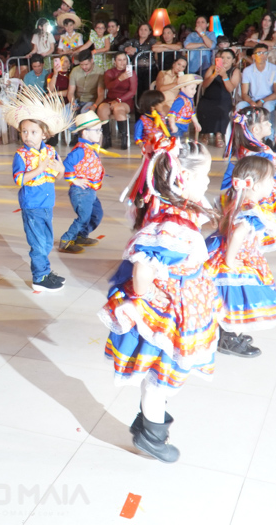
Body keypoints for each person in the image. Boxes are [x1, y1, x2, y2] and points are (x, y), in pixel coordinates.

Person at [99, 138, 219, 463]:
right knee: (159, 377)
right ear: (184, 178)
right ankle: (151, 435)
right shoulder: (171, 227)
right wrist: (151, 298)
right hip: (169, 312)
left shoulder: (175, 210)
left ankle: (149, 420)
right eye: (205, 175)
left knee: (161, 371)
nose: (208, 182)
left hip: (179, 305)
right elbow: (142, 270)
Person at [206, 155, 276, 358]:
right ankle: (228, 338)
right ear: (256, 185)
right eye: (270, 180)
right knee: (237, 297)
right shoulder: (251, 209)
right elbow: (238, 233)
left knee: (225, 297)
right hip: (237, 256)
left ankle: (224, 333)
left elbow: (220, 223)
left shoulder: (234, 199)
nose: (273, 184)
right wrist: (230, 260)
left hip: (222, 250)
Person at [6, 86, 70, 293]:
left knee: (47, 241)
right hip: (32, 205)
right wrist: (39, 169)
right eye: (24, 131)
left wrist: (61, 170)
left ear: (44, 134)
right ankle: (39, 277)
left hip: (47, 203)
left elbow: (57, 176)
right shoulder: (21, 155)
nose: (28, 136)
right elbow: (19, 179)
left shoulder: (50, 151)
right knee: (39, 243)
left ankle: (45, 271)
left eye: (33, 132)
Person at [223, 108, 276, 253]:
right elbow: (267, 167)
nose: (270, 125)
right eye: (267, 123)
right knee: (262, 216)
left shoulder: (248, 147)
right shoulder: (258, 151)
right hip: (260, 189)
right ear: (256, 129)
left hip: (256, 186)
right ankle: (259, 240)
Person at [59, 112, 105, 254]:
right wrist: (74, 179)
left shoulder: (90, 147)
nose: (100, 133)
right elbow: (67, 164)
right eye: (97, 130)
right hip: (81, 192)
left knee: (97, 214)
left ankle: (81, 236)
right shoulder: (80, 150)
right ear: (85, 133)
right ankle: (66, 240)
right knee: (84, 217)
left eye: (100, 130)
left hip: (90, 190)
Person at [198, 48, 240, 147]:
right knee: (204, 107)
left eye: (228, 58)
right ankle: (205, 133)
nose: (225, 60)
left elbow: (230, 88)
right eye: (222, 57)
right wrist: (214, 75)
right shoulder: (212, 68)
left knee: (222, 109)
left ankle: (219, 134)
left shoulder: (235, 71)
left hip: (224, 97)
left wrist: (224, 75)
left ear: (233, 60)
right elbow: (204, 85)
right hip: (209, 97)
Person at [98, 51, 137, 150]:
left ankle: (124, 137)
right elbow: (109, 87)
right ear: (114, 61)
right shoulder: (109, 73)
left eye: (124, 60)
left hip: (125, 100)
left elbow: (132, 91)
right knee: (102, 108)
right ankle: (107, 138)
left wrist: (119, 100)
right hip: (110, 99)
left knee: (118, 108)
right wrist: (119, 79)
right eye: (119, 60)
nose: (122, 62)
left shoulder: (131, 73)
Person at [238, 44, 276, 116]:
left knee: (267, 106)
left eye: (265, 53)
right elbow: (244, 93)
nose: (262, 55)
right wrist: (251, 102)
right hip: (253, 99)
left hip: (269, 100)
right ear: (253, 56)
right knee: (240, 105)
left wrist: (262, 101)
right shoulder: (247, 70)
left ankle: (268, 123)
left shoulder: (274, 69)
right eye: (259, 53)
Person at [124, 23, 158, 102]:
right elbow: (121, 47)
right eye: (141, 29)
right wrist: (127, 49)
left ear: (149, 32)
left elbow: (149, 48)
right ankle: (137, 107)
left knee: (147, 89)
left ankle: (148, 108)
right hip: (136, 69)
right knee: (137, 89)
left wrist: (136, 50)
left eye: (145, 30)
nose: (143, 31)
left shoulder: (152, 41)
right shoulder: (133, 41)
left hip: (149, 70)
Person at [166, 74, 202, 140]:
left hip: (183, 127)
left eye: (195, 89)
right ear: (183, 88)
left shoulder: (190, 100)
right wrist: (173, 125)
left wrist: (196, 123)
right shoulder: (180, 100)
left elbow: (192, 113)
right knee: (176, 142)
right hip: (177, 126)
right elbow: (172, 114)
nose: (195, 91)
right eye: (192, 89)